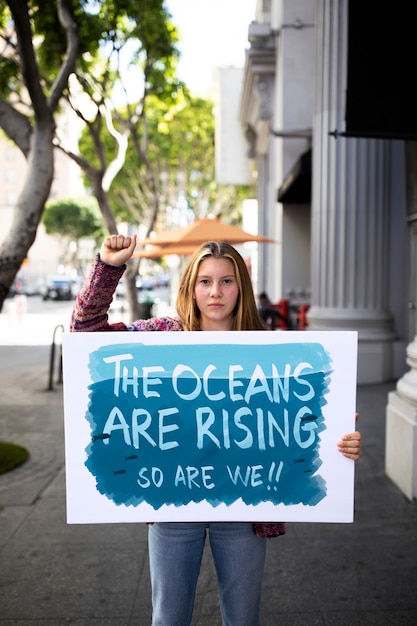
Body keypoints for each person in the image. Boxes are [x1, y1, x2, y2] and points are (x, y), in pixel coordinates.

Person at [71, 234, 362, 626]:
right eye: (205, 281)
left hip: (244, 505)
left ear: (241, 287)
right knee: (168, 619)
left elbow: (296, 426)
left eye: (227, 281)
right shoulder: (160, 336)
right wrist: (108, 268)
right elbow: (85, 334)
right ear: (191, 287)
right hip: (173, 501)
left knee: (242, 620)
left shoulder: (271, 349)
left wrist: (337, 439)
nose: (215, 292)